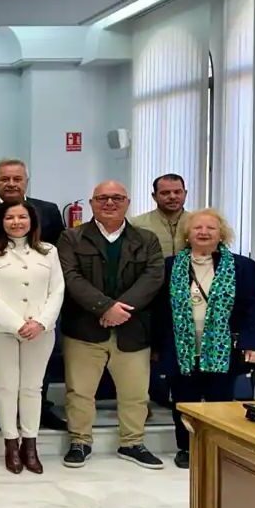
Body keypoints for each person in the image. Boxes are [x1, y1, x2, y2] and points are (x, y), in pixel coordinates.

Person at [57, 181, 165, 469]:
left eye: (117, 198)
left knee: (135, 393)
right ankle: (80, 441)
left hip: (132, 328)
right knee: (80, 392)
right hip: (84, 329)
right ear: (92, 203)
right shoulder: (71, 237)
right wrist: (105, 307)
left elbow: (153, 277)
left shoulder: (147, 239)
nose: (109, 203)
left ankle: (132, 443)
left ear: (127, 202)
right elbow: (70, 277)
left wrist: (120, 309)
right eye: (102, 198)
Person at [155, 209, 255, 469]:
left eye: (210, 228)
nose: (203, 232)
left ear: (221, 234)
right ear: (187, 234)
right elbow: (158, 310)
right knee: (184, 401)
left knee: (220, 401)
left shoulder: (242, 267)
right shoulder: (169, 266)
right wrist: (156, 347)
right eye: (197, 228)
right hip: (181, 348)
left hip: (223, 349)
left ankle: (219, 448)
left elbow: (254, 308)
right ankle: (186, 447)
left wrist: (254, 343)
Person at [0, 158, 65, 431]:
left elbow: (56, 260)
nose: (10, 184)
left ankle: (39, 415)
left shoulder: (48, 210)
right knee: (0, 375)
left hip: (39, 313)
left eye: (17, 179)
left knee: (35, 378)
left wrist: (42, 318)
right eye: (4, 179)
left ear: (26, 181)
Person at [0, 200, 64, 474]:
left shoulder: (49, 251)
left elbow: (57, 290)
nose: (16, 222)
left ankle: (30, 445)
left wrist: (41, 322)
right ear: (0, 222)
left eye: (22, 217)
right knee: (5, 386)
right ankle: (11, 444)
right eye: (10, 217)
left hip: (40, 331)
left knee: (32, 388)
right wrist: (17, 325)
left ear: (32, 221)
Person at [131, 174, 190, 258]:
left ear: (185, 194)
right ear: (154, 196)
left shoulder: (199, 223)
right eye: (165, 193)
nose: (172, 197)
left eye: (177, 192)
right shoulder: (136, 224)